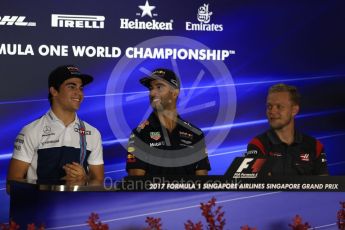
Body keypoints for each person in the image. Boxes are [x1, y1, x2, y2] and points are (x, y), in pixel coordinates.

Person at [7, 65, 104, 186]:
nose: (78, 93)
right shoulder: (31, 131)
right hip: (41, 204)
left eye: (81, 88)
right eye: (71, 87)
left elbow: (98, 181)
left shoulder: (93, 133)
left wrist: (85, 180)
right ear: (54, 91)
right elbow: (11, 185)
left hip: (79, 205)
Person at [126, 68, 210, 176]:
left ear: (175, 93)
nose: (152, 93)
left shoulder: (195, 133)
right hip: (152, 194)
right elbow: (136, 184)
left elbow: (203, 182)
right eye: (151, 88)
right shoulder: (139, 134)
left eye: (159, 87)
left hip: (189, 193)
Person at [246, 83, 328, 176]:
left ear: (294, 110)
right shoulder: (257, 145)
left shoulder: (315, 146)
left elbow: (324, 187)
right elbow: (256, 186)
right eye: (269, 106)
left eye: (279, 106)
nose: (272, 111)